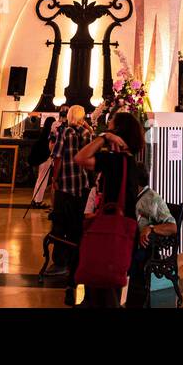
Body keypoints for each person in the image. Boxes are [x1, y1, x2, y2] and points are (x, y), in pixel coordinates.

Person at [75, 110, 145, 307]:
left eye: (111, 126)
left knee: (103, 287)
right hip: (126, 229)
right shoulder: (131, 162)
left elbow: (80, 158)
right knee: (112, 284)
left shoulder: (114, 160)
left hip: (110, 229)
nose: (107, 129)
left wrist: (103, 137)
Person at [44, 104, 93, 284]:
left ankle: (60, 262)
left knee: (60, 223)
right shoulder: (87, 134)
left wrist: (54, 179)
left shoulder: (66, 132)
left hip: (65, 184)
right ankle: (76, 259)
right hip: (82, 185)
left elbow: (57, 156)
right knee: (76, 225)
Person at [127, 166, 178, 308]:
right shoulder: (132, 197)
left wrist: (151, 228)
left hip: (144, 248)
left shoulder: (152, 199)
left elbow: (173, 227)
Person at [27, 116, 57, 209]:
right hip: (45, 159)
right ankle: (38, 201)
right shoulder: (50, 135)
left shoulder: (43, 133)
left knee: (40, 180)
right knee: (42, 180)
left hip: (40, 159)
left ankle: (36, 200)